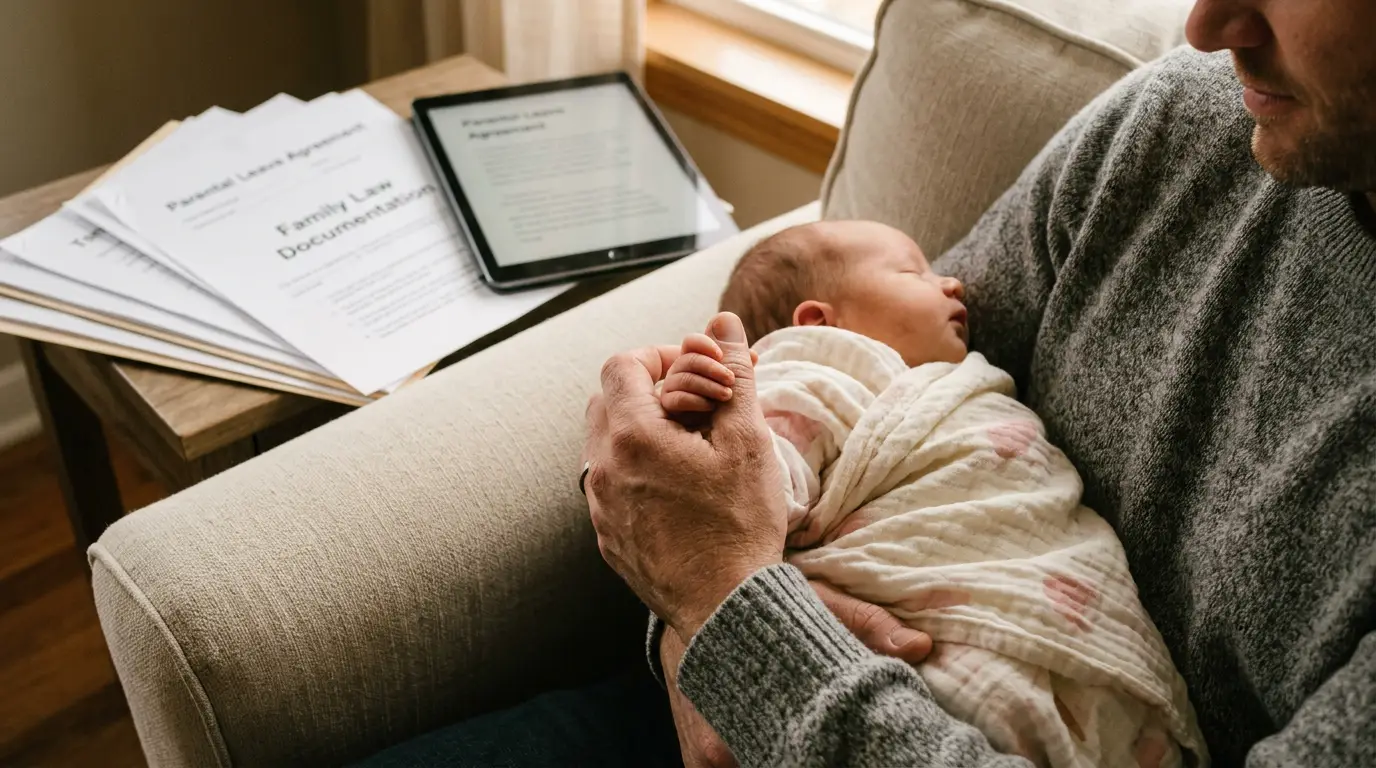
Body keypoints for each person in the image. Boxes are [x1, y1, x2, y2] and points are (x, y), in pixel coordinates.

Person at [359, 0, 1374, 765]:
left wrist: (731, 621)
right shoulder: (1181, 125)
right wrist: (693, 621)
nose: (1205, 24)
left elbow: (725, 573)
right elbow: (862, 387)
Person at [651, 217, 1206, 768]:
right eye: (913, 272)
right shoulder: (821, 366)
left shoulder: (930, 383)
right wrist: (700, 419)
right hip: (923, 652)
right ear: (820, 320)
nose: (954, 284)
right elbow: (741, 491)